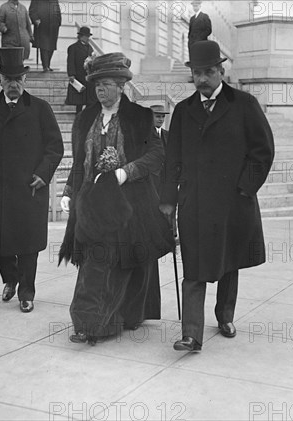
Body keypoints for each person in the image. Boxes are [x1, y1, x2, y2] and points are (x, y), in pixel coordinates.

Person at [160, 41, 275, 352]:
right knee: (194, 267)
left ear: (221, 71)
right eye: (197, 73)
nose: (202, 79)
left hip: (232, 202)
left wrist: (243, 189)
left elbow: (262, 152)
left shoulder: (244, 104)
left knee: (228, 261)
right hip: (194, 203)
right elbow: (172, 159)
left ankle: (225, 316)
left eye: (208, 72)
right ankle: (191, 334)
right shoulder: (184, 111)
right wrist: (168, 201)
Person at [59, 52, 174, 345]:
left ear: (122, 85)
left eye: (107, 84)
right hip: (92, 204)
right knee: (95, 262)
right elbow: (78, 161)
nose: (100, 89)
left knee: (129, 262)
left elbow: (157, 154)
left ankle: (128, 316)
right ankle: (88, 323)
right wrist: (68, 192)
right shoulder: (85, 118)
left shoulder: (139, 117)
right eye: (97, 84)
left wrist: (126, 172)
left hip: (130, 203)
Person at [0, 47, 64, 313]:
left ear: (25, 80)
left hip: (30, 187)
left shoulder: (40, 108)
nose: (14, 85)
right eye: (8, 80)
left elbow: (55, 147)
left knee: (28, 244)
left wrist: (43, 174)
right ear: (0, 81)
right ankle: (10, 278)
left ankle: (26, 292)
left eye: (18, 79)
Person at [65, 26, 97, 114]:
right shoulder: (73, 47)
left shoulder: (90, 48)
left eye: (88, 36)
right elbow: (70, 62)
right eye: (86, 36)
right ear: (81, 36)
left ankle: (86, 114)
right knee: (79, 100)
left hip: (88, 77)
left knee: (90, 99)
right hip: (78, 76)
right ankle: (78, 114)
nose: (88, 38)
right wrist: (71, 74)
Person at [29, 0, 61, 72]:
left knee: (51, 47)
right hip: (42, 26)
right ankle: (45, 66)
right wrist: (35, 20)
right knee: (44, 47)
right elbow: (32, 11)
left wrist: (59, 22)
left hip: (53, 27)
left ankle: (48, 65)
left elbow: (58, 10)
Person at [150, 104, 170, 194]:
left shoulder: (167, 135)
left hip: (165, 179)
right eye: (158, 116)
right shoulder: (144, 135)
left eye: (163, 116)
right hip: (150, 179)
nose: (161, 119)